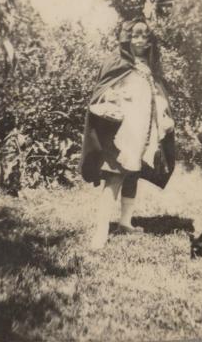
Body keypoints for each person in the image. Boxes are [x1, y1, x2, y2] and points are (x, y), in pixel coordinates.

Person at [80, 17, 175, 249]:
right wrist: (112, 98)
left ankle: (125, 222)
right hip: (121, 130)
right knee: (115, 174)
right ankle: (100, 231)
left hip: (143, 128)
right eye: (136, 35)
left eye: (145, 36)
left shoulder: (150, 65)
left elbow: (157, 93)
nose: (141, 40)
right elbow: (102, 91)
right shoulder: (116, 61)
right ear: (127, 36)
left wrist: (164, 115)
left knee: (133, 172)